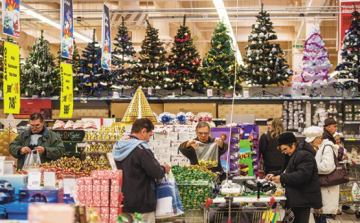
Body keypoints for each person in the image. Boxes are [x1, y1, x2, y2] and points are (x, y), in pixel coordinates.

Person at [112, 118, 171, 223]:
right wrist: (163, 168)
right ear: (143, 131)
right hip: (142, 203)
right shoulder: (141, 150)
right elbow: (156, 172)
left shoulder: (118, 148)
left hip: (123, 202)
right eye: (149, 135)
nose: (148, 140)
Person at [265, 132, 322, 223]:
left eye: (285, 149)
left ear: (293, 144)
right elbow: (287, 171)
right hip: (297, 198)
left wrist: (282, 178)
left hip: (303, 199)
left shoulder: (304, 155)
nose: (285, 152)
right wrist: (274, 175)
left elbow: (303, 175)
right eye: (283, 150)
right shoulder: (293, 155)